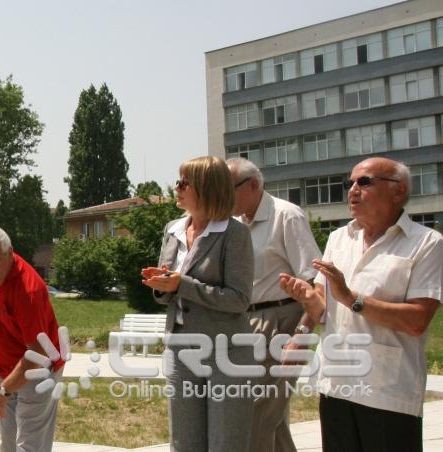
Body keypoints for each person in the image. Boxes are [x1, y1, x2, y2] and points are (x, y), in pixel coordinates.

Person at [280, 157, 442, 452]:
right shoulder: (339, 238)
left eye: (364, 182)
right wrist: (305, 308)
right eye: (349, 183)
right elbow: (321, 303)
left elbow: (418, 320)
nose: (352, 189)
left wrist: (353, 299)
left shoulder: (427, 243)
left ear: (398, 191)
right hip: (336, 384)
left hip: (387, 392)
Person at [141, 156, 254, 452]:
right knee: (184, 443)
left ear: (206, 187)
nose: (176, 187)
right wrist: (161, 286)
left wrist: (182, 285)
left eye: (183, 182)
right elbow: (170, 288)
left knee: (225, 443)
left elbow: (239, 299)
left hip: (226, 352)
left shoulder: (235, 233)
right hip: (180, 347)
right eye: (177, 180)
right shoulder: (173, 229)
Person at [227, 157, 321, 452]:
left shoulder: (287, 216)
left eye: (228, 188)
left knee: (257, 412)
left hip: (282, 320)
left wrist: (302, 334)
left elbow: (314, 280)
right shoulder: (235, 224)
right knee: (272, 418)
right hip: (247, 322)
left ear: (253, 184)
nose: (223, 197)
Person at [0, 226, 65, 452]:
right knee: (8, 444)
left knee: (30, 446)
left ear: (10, 251)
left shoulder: (28, 291)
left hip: (38, 371)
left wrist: (3, 392)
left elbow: (36, 355)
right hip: (7, 369)